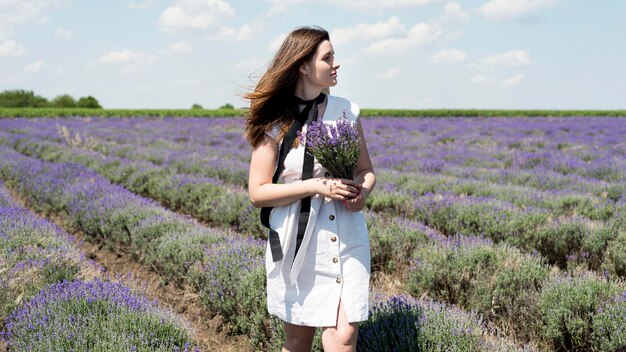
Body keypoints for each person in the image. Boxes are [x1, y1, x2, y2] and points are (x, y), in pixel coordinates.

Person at [245, 26, 376, 352]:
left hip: (348, 234)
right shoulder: (275, 121)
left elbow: (366, 171)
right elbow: (257, 192)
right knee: (298, 341)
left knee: (343, 338)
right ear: (303, 65)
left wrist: (363, 193)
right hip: (298, 241)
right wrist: (317, 185)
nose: (336, 64)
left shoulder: (346, 111)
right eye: (327, 57)